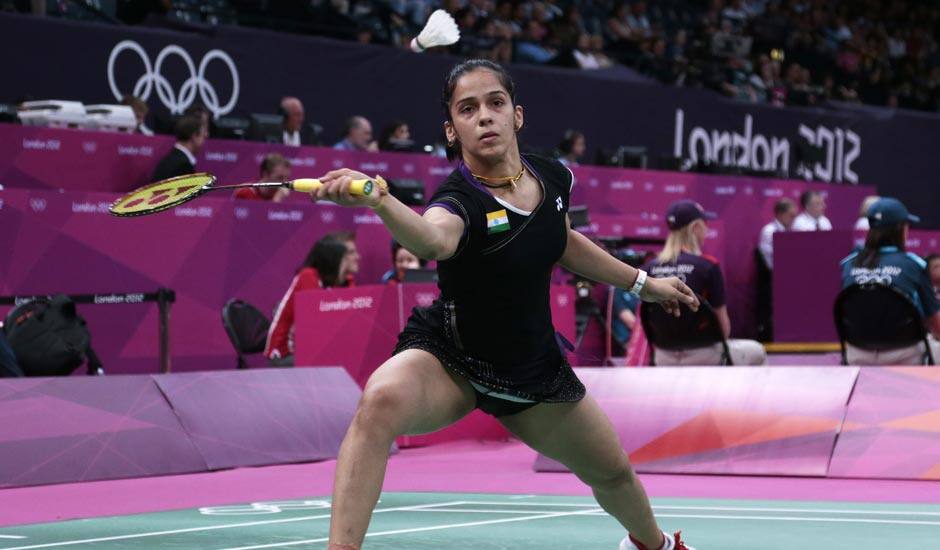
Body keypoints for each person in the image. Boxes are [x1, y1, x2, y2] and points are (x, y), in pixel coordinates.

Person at [313, 59, 699, 550]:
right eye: (468, 109)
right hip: (452, 357)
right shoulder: (458, 200)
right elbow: (433, 241)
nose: (485, 117)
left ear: (516, 115)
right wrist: (382, 202)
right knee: (379, 401)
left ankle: (656, 545)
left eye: (495, 103)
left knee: (614, 474)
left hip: (530, 368)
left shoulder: (553, 177)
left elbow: (559, 239)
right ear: (452, 131)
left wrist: (643, 283)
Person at [644, 200, 768, 366]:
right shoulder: (708, 266)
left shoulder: (649, 268)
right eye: (705, 225)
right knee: (757, 351)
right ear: (695, 228)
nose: (707, 230)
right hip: (704, 355)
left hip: (662, 356)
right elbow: (723, 331)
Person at [840, 198, 940, 365]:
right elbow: (936, 326)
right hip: (904, 355)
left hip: (857, 354)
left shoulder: (848, 264)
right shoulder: (914, 265)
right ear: (901, 229)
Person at [264, 235, 357, 365]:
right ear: (333, 261)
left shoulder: (333, 282)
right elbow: (317, 325)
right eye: (345, 259)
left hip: (305, 352)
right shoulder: (308, 276)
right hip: (283, 354)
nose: (353, 260)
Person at [151, 114, 207, 182]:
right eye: (203, 136)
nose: (204, 141)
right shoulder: (184, 166)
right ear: (194, 136)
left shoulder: (168, 159)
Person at [757, 198, 798, 270]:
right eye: (791, 215)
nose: (793, 219)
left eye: (795, 216)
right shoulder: (769, 231)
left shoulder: (791, 229)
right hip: (774, 272)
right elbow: (767, 258)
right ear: (780, 214)